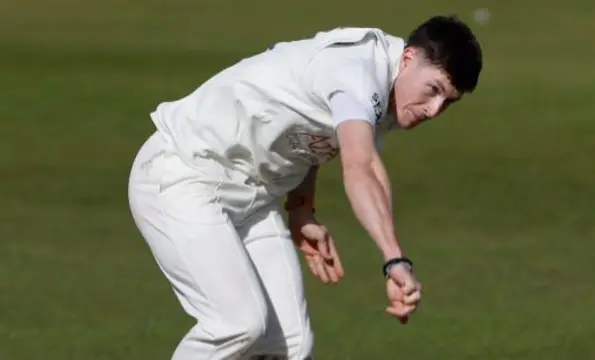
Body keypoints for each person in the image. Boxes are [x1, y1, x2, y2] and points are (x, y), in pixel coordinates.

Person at [128, 14, 482, 360]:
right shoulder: (358, 72)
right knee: (236, 326)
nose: (434, 109)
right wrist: (394, 260)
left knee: (291, 346)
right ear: (408, 58)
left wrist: (301, 208)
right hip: (183, 172)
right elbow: (360, 167)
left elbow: (323, 135)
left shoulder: (394, 92)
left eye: (448, 101)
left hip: (251, 196)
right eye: (433, 90)